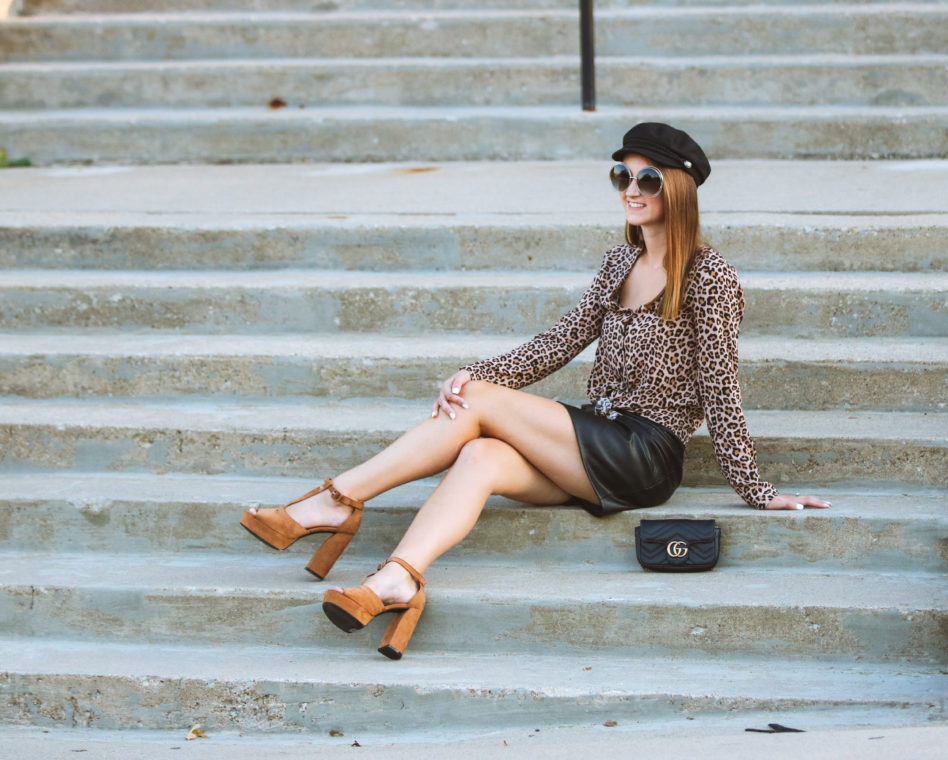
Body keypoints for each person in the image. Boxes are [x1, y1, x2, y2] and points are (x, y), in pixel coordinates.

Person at [240, 123, 829, 660]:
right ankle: (398, 578)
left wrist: (754, 489)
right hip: (594, 438)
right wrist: (478, 368)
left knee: (480, 404)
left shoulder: (710, 277)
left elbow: (722, 387)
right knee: (481, 453)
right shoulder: (619, 262)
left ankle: (333, 503)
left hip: (645, 455)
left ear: (678, 190)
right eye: (622, 174)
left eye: (647, 178)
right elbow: (561, 341)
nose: (631, 188)